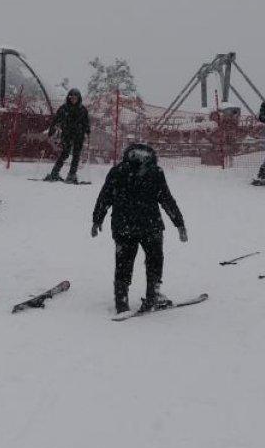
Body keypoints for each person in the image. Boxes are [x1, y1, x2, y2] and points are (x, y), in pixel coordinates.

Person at [91, 143, 188, 315]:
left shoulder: (117, 171)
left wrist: (97, 220)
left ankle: (121, 301)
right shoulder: (155, 173)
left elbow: (105, 197)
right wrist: (179, 223)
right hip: (150, 226)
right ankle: (152, 296)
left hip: (123, 227)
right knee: (155, 261)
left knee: (123, 263)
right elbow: (166, 199)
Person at [44, 88, 91, 183]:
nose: (73, 99)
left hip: (79, 135)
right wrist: (51, 131)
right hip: (67, 134)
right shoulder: (63, 108)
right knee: (65, 153)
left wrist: (88, 132)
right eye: (71, 97)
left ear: (79, 98)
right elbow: (56, 120)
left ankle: (71, 175)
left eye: (75, 97)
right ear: (69, 98)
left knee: (76, 155)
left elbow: (86, 122)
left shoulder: (82, 109)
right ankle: (54, 173)